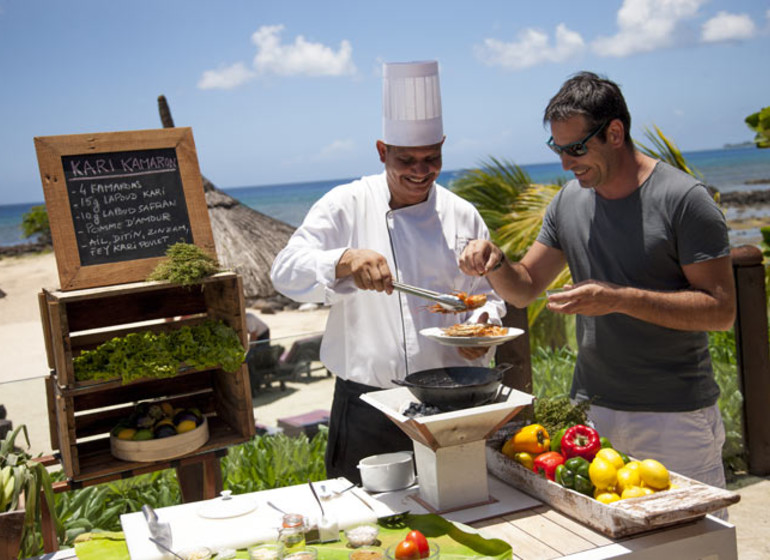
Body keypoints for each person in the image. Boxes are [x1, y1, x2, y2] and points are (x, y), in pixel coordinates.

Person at [459, 71, 736, 491]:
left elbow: (721, 311)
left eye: (575, 148)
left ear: (615, 132)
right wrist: (496, 261)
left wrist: (619, 299)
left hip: (675, 417)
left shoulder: (684, 200)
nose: (566, 163)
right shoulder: (568, 201)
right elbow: (526, 285)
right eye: (557, 148)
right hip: (591, 415)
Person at [271, 60, 505, 483]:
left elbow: (487, 298)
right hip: (367, 405)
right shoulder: (347, 203)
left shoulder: (463, 213)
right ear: (382, 151)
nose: (420, 171)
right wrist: (344, 260)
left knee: (456, 515)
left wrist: (481, 328)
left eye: (431, 158)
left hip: (453, 399)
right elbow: (284, 271)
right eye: (407, 159)